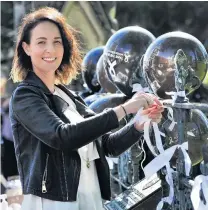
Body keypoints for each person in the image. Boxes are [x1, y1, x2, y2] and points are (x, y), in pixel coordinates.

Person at [9, 7, 163, 210]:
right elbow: (62, 137)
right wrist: (125, 109)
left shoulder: (67, 96)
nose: (51, 49)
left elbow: (107, 145)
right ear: (27, 48)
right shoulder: (25, 96)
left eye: (57, 42)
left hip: (91, 197)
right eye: (41, 42)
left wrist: (139, 124)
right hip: (53, 202)